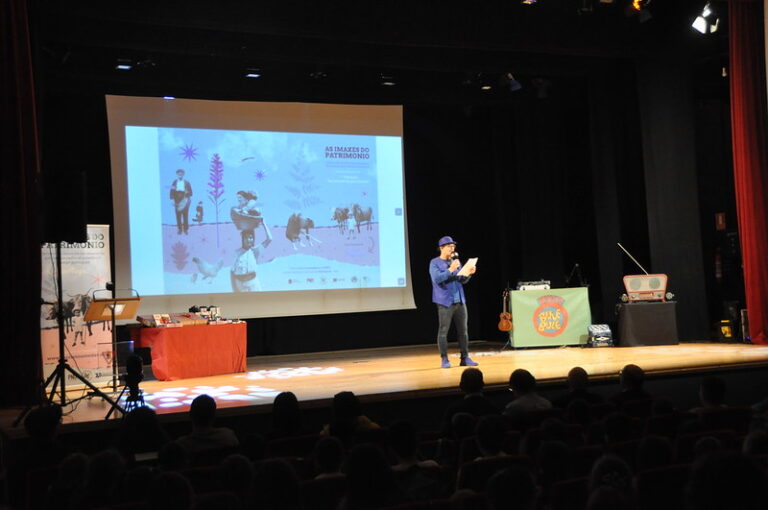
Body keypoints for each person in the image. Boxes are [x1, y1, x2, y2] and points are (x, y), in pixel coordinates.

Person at [429, 235, 478, 368]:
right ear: (441, 248)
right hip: (445, 302)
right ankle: (444, 359)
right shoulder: (435, 262)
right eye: (449, 246)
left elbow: (462, 280)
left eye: (453, 246)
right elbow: (438, 279)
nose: (452, 249)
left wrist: (469, 273)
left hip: (460, 301)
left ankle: (465, 358)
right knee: (443, 331)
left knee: (463, 331)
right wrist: (450, 269)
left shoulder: (456, 261)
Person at [231, 227, 271, 292]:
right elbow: (232, 272)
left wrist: (264, 223)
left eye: (250, 237)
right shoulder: (236, 253)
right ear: (243, 239)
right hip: (240, 285)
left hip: (253, 284)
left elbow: (269, 239)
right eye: (246, 237)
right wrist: (234, 288)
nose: (248, 240)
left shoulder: (255, 251)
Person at [169, 168, 192, 235]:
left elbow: (191, 192)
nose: (180, 176)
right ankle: (179, 229)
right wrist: (173, 200)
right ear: (177, 175)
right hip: (177, 200)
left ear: (183, 175)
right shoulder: (174, 182)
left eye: (181, 174)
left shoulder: (187, 183)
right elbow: (171, 192)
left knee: (185, 215)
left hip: (185, 200)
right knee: (178, 215)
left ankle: (185, 229)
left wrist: (187, 194)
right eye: (179, 174)